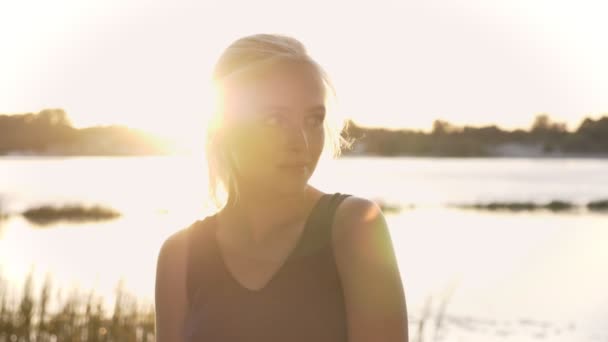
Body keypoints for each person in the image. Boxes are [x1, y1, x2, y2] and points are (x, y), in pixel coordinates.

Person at [154, 33, 408, 342]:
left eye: (313, 120)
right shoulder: (180, 257)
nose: (300, 142)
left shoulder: (355, 227)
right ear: (225, 127)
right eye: (275, 120)